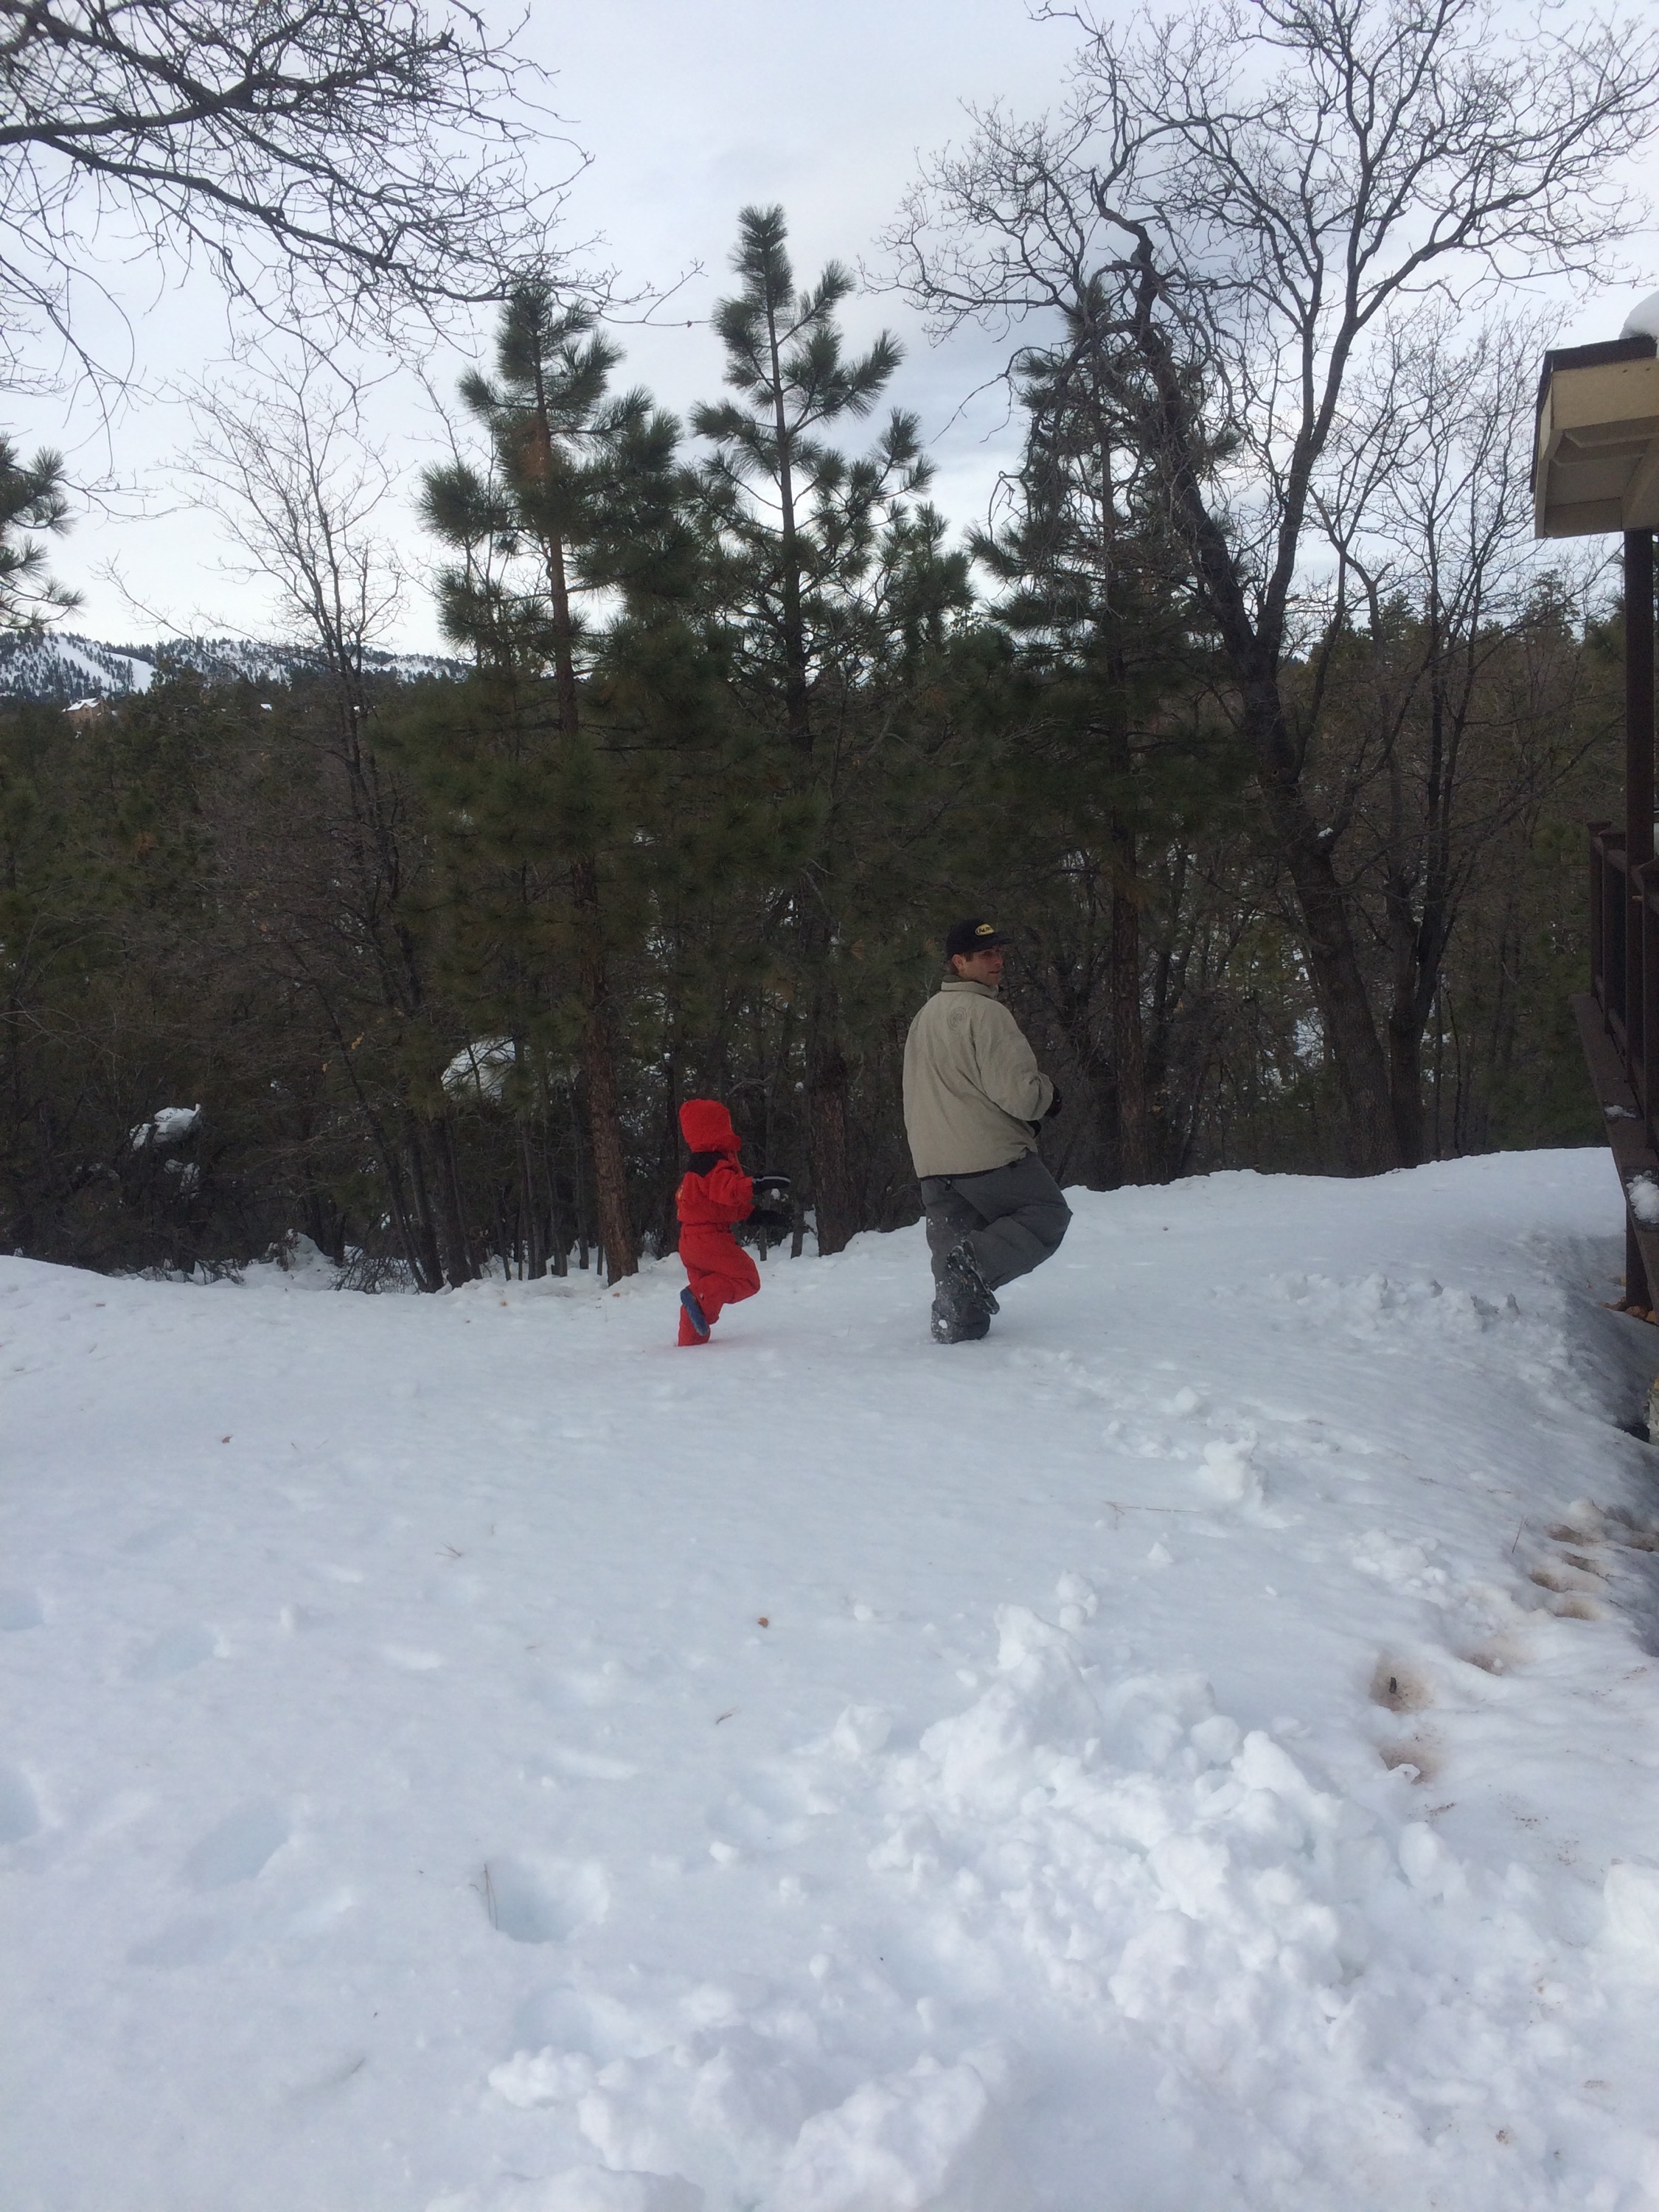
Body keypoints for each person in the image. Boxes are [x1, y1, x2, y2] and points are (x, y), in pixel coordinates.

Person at [901, 918, 1071, 1343]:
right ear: (959, 962)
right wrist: (1049, 1097)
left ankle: (957, 1331)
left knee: (954, 1253)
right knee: (1046, 1214)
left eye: (999, 952)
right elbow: (1020, 1094)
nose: (998, 961)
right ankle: (972, 1268)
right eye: (986, 954)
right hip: (988, 1155)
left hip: (933, 1161)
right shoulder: (988, 1013)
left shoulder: (924, 1017)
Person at [674, 1098, 790, 1346]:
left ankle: (688, 1350)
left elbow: (718, 1206)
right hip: (710, 1240)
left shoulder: (696, 1169)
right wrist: (758, 1183)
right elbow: (730, 1191)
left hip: (690, 1241)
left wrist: (756, 1216)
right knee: (746, 1280)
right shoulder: (712, 1164)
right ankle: (694, 1298)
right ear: (716, 1127)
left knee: (702, 1307)